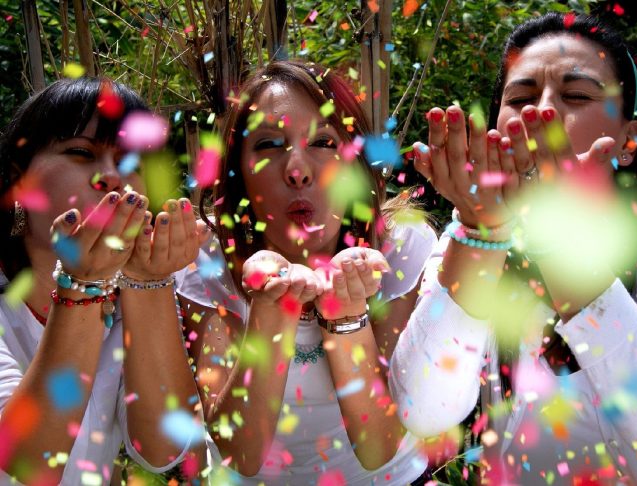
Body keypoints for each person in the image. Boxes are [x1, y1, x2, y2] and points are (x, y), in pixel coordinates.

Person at [389, 12, 637, 484]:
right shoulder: (471, 237)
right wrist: (480, 232)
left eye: (576, 95)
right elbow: (423, 411)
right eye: (521, 97)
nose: (540, 113)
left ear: (629, 137)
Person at [176, 60, 435, 483]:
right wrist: (270, 312)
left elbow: (379, 444)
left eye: (323, 142)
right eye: (268, 145)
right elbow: (239, 452)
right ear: (237, 173)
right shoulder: (206, 262)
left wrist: (346, 315)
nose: (297, 169)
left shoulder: (399, 250)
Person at [0, 77, 205, 484]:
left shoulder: (125, 300)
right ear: (18, 179)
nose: (112, 177)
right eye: (80, 152)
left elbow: (164, 449)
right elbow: (27, 461)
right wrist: (82, 287)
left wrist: (149, 281)